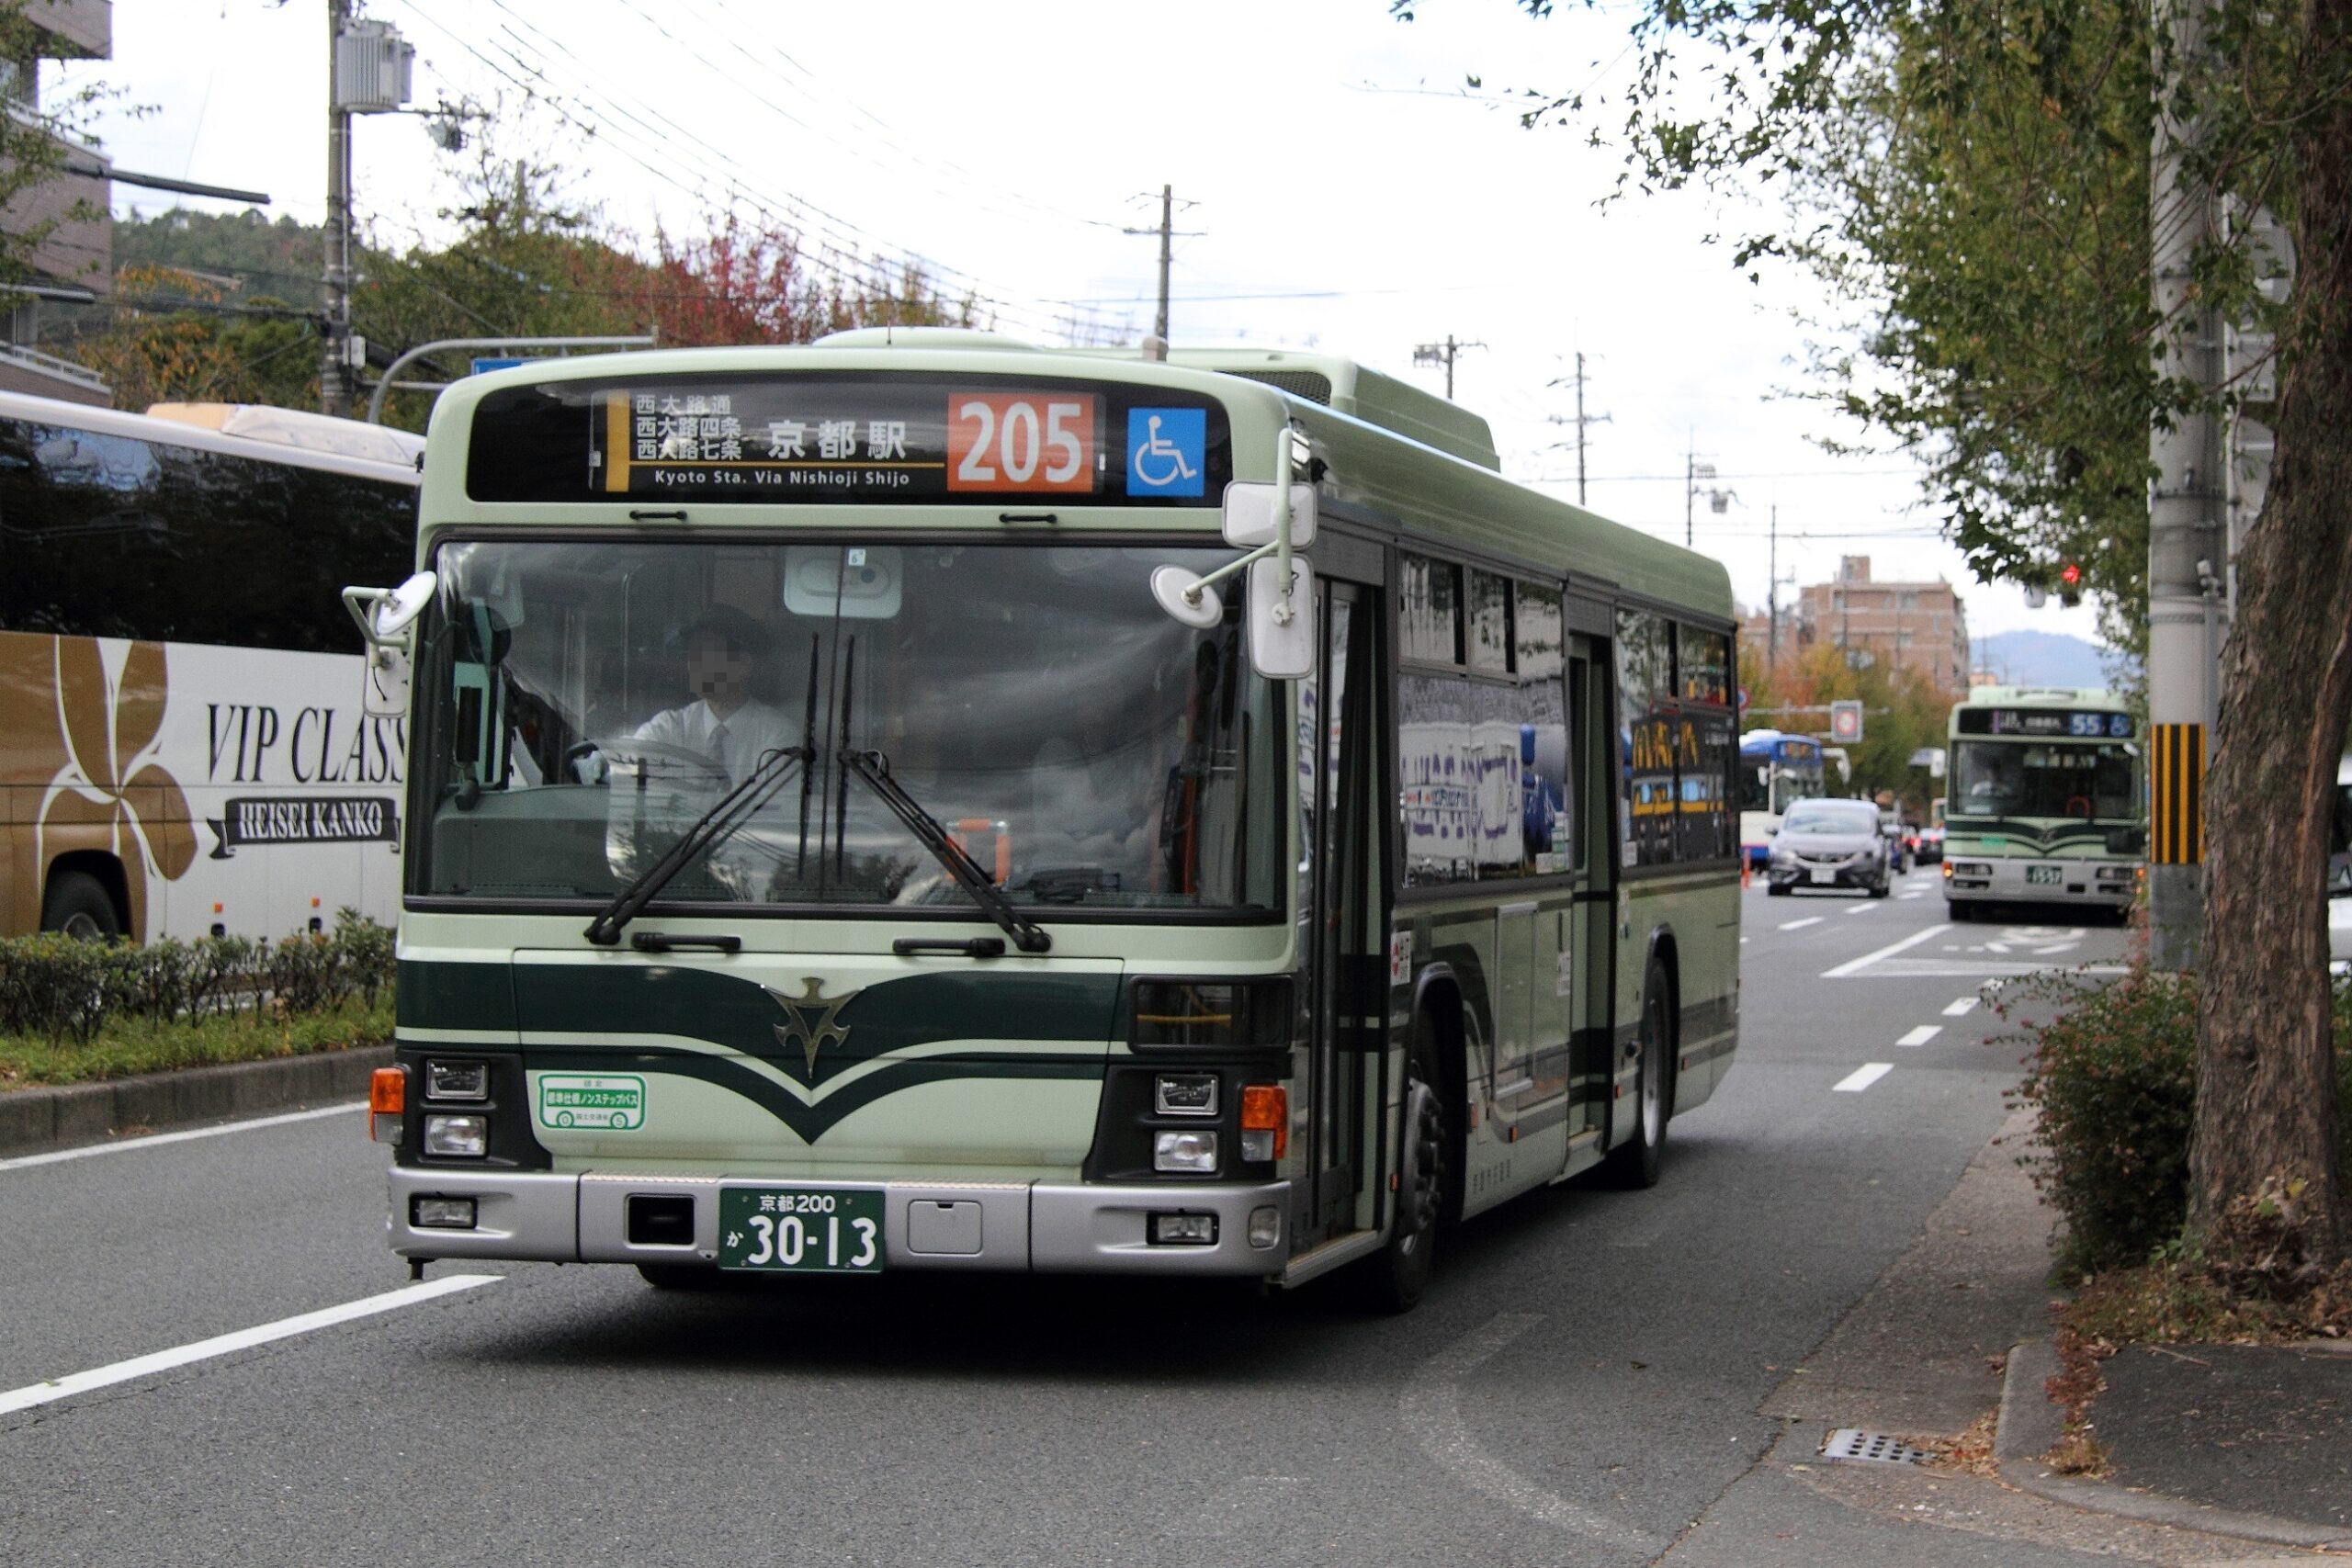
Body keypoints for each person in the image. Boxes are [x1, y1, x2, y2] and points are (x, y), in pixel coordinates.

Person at [631, 605, 797, 786]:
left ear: (743, 665)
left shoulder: (777, 736)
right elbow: (627, 761)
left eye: (707, 653)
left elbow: (772, 809)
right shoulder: (670, 728)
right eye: (692, 653)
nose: (693, 663)